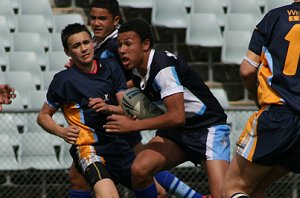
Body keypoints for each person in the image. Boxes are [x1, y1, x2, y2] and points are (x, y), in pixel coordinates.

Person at [68, 0, 205, 197]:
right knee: (81, 174)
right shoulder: (99, 44)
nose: (96, 23)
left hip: (116, 119)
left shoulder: (117, 45)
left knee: (133, 168)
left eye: (102, 18)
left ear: (115, 20)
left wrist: (114, 97)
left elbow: (133, 78)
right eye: (93, 18)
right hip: (105, 120)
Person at [101, 18, 231, 198]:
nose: (122, 50)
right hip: (177, 132)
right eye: (120, 45)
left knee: (223, 195)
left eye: (128, 44)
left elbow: (177, 116)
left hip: (208, 129)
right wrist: (106, 104)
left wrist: (133, 126)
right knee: (139, 169)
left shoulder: (162, 68)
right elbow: (129, 100)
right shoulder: (139, 72)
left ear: (145, 44)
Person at [37, 23, 137, 198]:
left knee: (159, 192)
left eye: (86, 42)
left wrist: (109, 108)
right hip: (89, 148)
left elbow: (126, 108)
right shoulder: (63, 80)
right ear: (68, 52)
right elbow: (43, 116)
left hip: (118, 144)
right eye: (76, 46)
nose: (83, 49)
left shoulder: (112, 67)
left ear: (92, 43)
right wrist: (61, 131)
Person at [220, 1, 300, 197]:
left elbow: (247, 71)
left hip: (277, 115)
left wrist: (257, 97)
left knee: (231, 189)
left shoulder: (276, 17)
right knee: (256, 190)